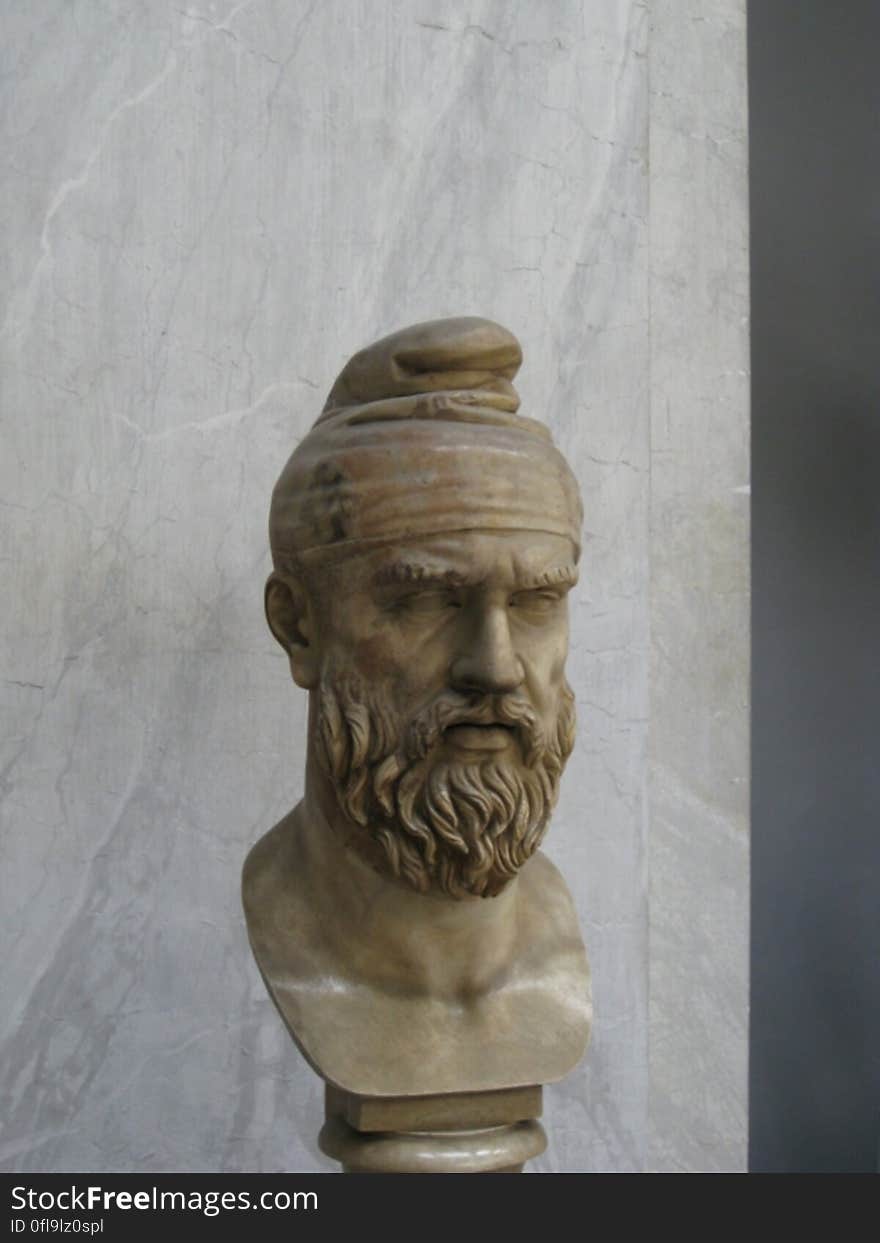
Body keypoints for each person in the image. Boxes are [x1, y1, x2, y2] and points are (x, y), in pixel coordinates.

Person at [243, 317, 590, 1098]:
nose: (495, 668)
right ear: (300, 625)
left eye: (538, 600)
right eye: (430, 598)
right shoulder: (290, 938)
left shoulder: (557, 961)